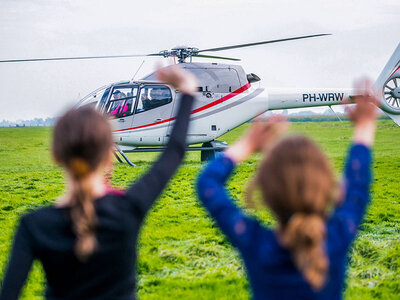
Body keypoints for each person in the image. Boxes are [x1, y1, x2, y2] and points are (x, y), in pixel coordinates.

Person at [0, 65, 197, 300]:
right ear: (108, 155)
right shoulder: (128, 209)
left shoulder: (33, 226)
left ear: (56, 155)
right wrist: (187, 90)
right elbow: (174, 152)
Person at [196, 79, 378, 299]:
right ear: (328, 185)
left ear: (265, 191)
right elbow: (357, 183)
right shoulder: (339, 235)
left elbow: (207, 184)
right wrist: (365, 127)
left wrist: (247, 145)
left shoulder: (255, 243)